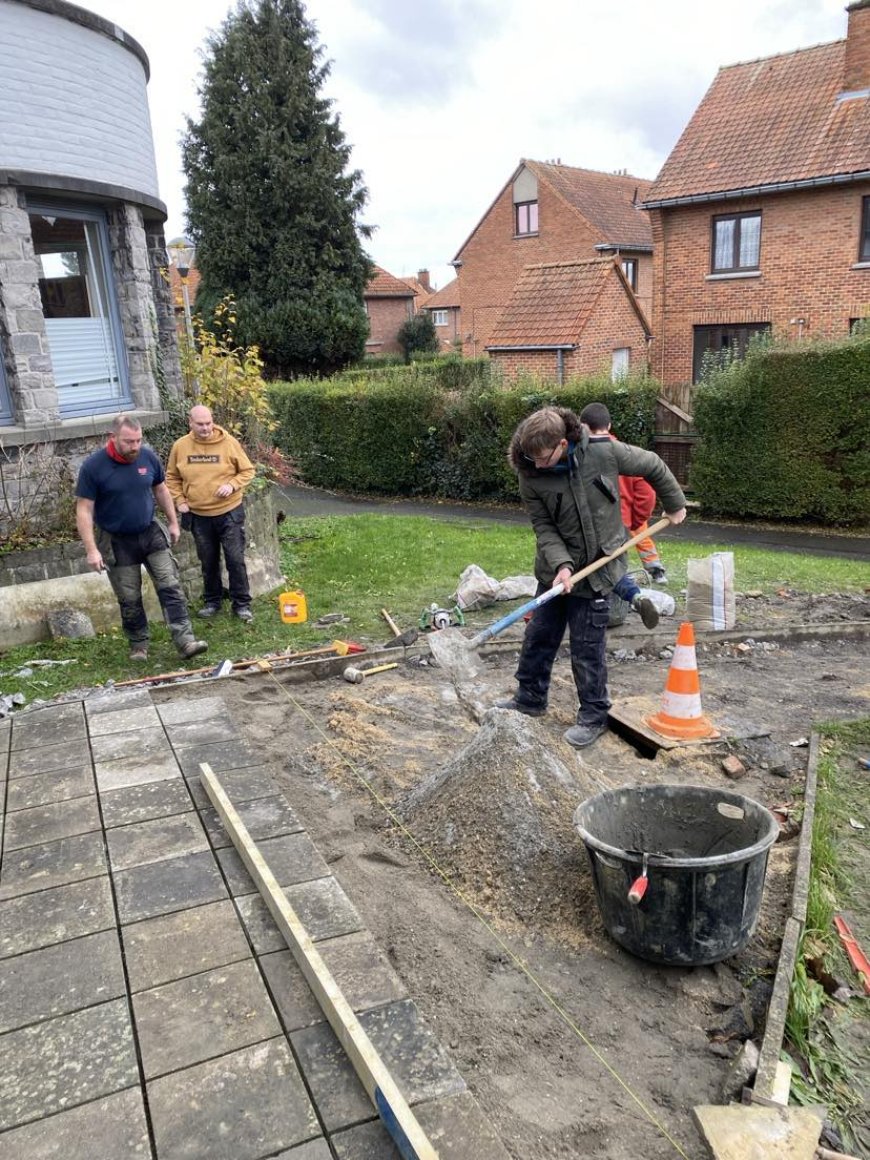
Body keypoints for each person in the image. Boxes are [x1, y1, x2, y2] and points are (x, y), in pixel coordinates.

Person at [496, 405, 686, 749]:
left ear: (562, 444)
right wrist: (562, 566)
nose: (537, 464)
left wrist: (674, 503)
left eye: (543, 457)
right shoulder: (531, 474)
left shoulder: (604, 452)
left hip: (600, 568)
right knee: (539, 636)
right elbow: (544, 526)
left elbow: (653, 466)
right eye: (531, 457)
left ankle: (593, 716)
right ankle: (529, 699)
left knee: (587, 647)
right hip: (555, 572)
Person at [75, 415, 208, 662]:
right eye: (128, 442)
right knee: (129, 597)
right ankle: (138, 645)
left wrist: (172, 522)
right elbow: (84, 509)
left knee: (170, 586)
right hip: (117, 540)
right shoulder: (94, 467)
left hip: (150, 532)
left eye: (138, 440)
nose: (135, 447)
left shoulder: (147, 457)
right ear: (112, 438)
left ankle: (186, 641)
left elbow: (160, 489)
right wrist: (91, 550)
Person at [579, 402, 676, 630]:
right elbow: (646, 492)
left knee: (595, 567)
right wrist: (636, 519)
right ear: (609, 425)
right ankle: (638, 593)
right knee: (615, 567)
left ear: (583, 426)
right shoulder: (624, 453)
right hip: (625, 520)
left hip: (596, 523)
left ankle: (602, 612)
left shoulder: (583, 455)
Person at [166, 405, 256, 622]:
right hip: (199, 515)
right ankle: (212, 601)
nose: (206, 428)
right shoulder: (181, 446)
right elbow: (171, 477)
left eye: (208, 423)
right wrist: (180, 500)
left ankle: (242, 604)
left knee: (235, 559)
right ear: (190, 423)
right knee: (208, 561)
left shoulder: (229, 443)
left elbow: (248, 470)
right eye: (200, 424)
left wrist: (232, 485)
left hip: (229, 512)